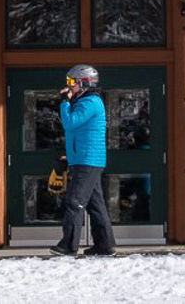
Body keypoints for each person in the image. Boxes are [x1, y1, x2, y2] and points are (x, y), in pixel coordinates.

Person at [51, 64, 117, 257]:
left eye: (72, 82)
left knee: (74, 202)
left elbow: (70, 123)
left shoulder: (90, 103)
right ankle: (105, 245)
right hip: (85, 159)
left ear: (84, 83)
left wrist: (64, 101)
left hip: (87, 161)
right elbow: (77, 131)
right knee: (95, 205)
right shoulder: (85, 102)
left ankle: (68, 246)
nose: (69, 86)